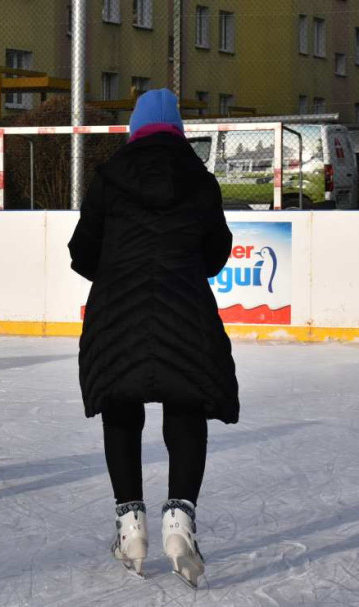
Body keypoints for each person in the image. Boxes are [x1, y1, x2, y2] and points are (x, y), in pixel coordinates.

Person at [68, 89, 239, 587]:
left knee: (121, 404)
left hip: (117, 312)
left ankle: (130, 524)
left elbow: (81, 252)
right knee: (186, 403)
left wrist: (118, 269)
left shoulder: (108, 179)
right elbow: (217, 252)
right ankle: (179, 520)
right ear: (180, 132)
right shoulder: (201, 182)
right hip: (184, 310)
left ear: (134, 130)